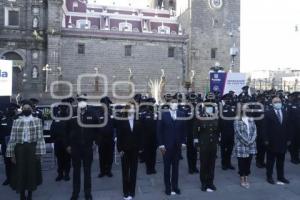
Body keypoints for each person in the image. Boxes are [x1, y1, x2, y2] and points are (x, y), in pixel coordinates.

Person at [6, 100, 46, 200]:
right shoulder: (17, 121)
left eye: (28, 108)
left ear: (31, 109)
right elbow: (13, 138)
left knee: (31, 172)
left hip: (32, 149)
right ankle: (22, 194)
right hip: (19, 150)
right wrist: (11, 154)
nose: (26, 110)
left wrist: (40, 153)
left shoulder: (37, 120)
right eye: (24, 108)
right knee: (20, 172)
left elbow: (40, 137)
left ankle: (30, 193)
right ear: (22, 109)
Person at [66, 95, 98, 200]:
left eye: (83, 100)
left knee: (87, 171)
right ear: (77, 101)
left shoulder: (92, 113)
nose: (82, 102)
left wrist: (95, 142)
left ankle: (87, 193)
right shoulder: (72, 113)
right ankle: (75, 193)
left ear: (86, 101)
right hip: (75, 147)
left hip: (88, 147)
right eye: (80, 100)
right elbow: (66, 130)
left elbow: (96, 128)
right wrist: (67, 145)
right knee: (76, 171)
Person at [157, 98, 187, 196]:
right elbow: (159, 131)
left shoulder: (181, 114)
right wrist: (161, 144)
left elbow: (183, 130)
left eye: (176, 103)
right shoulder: (163, 114)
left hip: (177, 146)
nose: (174, 104)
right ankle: (168, 187)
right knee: (166, 168)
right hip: (166, 146)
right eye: (172, 103)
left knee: (176, 168)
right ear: (169, 104)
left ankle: (175, 186)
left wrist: (183, 141)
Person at [116, 102, 143, 200]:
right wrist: (120, 149)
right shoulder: (122, 120)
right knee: (125, 171)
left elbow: (140, 135)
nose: (132, 110)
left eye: (133, 108)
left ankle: (132, 191)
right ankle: (125, 192)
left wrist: (140, 148)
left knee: (134, 171)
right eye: (130, 108)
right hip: (125, 150)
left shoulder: (138, 120)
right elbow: (119, 136)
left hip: (135, 149)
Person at [263, 96, 291, 185]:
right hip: (271, 142)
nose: (278, 103)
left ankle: (281, 177)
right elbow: (264, 128)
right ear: (272, 103)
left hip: (283, 141)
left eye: (279, 101)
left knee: (281, 161)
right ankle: (269, 176)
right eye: (275, 102)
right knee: (270, 161)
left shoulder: (285, 112)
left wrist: (289, 139)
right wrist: (266, 139)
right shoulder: (268, 113)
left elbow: (288, 126)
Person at [193, 103, 219, 192]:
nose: (209, 109)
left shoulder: (215, 117)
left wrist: (218, 140)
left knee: (212, 165)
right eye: (208, 108)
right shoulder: (200, 117)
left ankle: (210, 183)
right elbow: (195, 131)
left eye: (211, 108)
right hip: (204, 144)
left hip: (213, 145)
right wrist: (196, 142)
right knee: (204, 165)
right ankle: (203, 183)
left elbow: (218, 130)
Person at [234, 100, 257, 189]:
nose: (247, 109)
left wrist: (251, 140)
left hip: (251, 145)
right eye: (245, 108)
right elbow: (238, 133)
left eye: (248, 108)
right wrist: (247, 141)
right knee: (241, 163)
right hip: (241, 146)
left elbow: (255, 130)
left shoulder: (251, 119)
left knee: (248, 162)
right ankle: (242, 178)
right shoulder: (237, 119)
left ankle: (246, 176)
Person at [50, 101, 71, 182]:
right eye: (61, 108)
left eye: (65, 108)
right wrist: (53, 140)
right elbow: (52, 129)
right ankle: (60, 174)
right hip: (58, 142)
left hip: (67, 142)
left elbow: (72, 131)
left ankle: (67, 174)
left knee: (67, 159)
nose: (63, 109)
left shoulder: (69, 118)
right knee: (59, 159)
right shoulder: (56, 118)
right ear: (59, 109)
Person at [0, 103, 18, 185]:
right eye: (9, 109)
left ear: (15, 110)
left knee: (17, 163)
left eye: (13, 109)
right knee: (7, 163)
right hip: (5, 145)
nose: (11, 110)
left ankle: (18, 179)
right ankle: (9, 178)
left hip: (17, 145)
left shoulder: (19, 119)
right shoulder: (3, 120)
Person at [97, 97, 115, 178]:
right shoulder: (98, 113)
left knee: (109, 155)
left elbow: (115, 126)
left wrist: (115, 136)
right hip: (101, 138)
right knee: (102, 156)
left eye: (107, 104)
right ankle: (102, 171)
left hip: (110, 138)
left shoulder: (112, 113)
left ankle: (108, 171)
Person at [140, 97, 158, 175]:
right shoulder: (144, 113)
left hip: (154, 137)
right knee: (147, 153)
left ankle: (153, 168)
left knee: (153, 153)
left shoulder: (156, 113)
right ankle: (148, 168)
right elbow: (141, 125)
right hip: (146, 137)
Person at [220, 93, 236, 170]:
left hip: (232, 131)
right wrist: (219, 133)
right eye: (227, 99)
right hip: (224, 132)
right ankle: (224, 163)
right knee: (223, 149)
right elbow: (219, 120)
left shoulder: (234, 108)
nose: (229, 100)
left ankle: (228, 163)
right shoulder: (221, 108)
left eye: (230, 99)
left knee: (230, 148)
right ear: (224, 100)